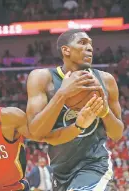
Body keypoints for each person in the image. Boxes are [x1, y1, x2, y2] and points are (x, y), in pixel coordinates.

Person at [26, 29, 124, 191]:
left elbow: (117, 134)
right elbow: (36, 132)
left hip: (94, 165)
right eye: (83, 43)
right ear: (66, 50)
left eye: (91, 44)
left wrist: (105, 112)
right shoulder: (42, 78)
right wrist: (62, 94)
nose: (90, 48)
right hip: (60, 171)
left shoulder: (106, 81)